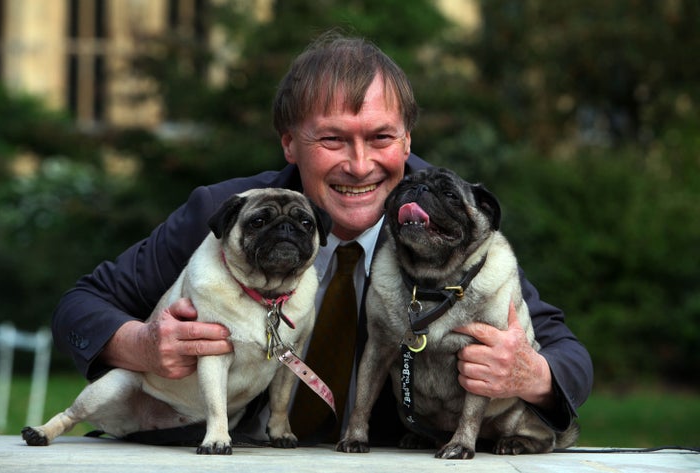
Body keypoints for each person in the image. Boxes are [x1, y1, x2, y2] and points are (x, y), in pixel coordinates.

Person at [52, 32, 593, 447]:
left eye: (381, 137)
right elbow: (80, 307)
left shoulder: (454, 226)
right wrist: (143, 345)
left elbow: (567, 355)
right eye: (332, 139)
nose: (359, 166)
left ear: (407, 140)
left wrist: (529, 372)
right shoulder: (225, 214)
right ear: (290, 143)